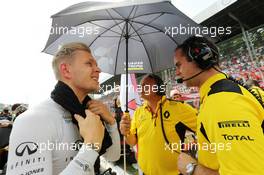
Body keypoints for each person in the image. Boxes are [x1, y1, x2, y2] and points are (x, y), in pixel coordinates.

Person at [7, 43, 120, 175]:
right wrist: (90, 147)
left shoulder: (88, 113)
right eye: (89, 64)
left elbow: (113, 157)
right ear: (66, 70)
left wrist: (111, 122)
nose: (98, 69)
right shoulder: (33, 120)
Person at [174, 35, 264, 175]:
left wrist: (191, 168)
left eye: (179, 65)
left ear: (200, 58)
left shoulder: (222, 101)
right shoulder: (221, 94)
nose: (176, 73)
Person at [120, 74, 197, 175]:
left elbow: (206, 127)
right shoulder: (138, 112)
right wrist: (125, 133)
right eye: (140, 86)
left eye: (145, 85)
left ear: (159, 88)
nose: (141, 88)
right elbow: (132, 142)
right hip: (145, 172)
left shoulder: (179, 108)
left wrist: (195, 149)